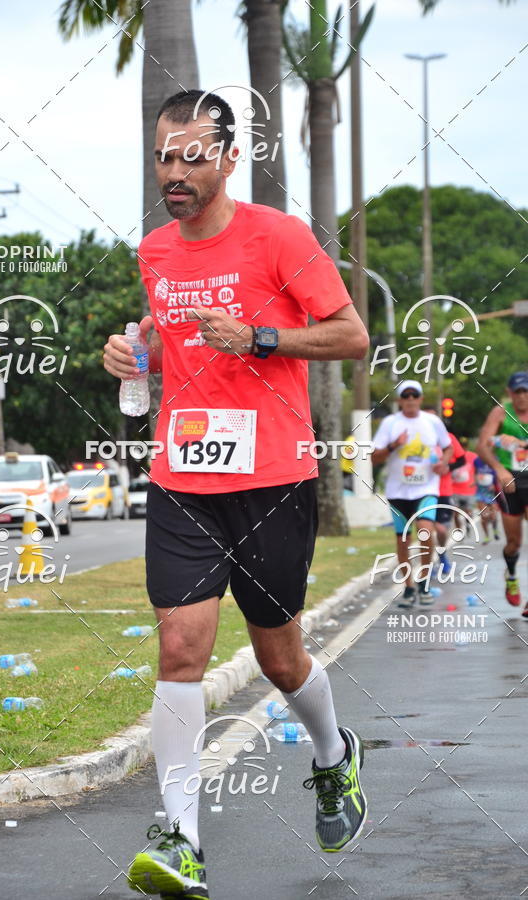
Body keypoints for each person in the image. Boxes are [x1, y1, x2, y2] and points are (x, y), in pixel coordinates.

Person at [103, 89, 370, 899]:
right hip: (184, 478)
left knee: (277, 655)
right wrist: (133, 359)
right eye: (162, 155)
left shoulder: (279, 238)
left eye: (190, 155)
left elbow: (353, 335)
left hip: (275, 478)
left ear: (228, 157)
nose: (173, 171)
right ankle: (181, 841)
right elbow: (167, 352)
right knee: (180, 649)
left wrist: (262, 336)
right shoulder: (154, 253)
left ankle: (334, 754)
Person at [372, 381, 452, 608]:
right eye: (405, 396)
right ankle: (408, 587)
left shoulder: (432, 421)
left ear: (420, 398)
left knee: (426, 531)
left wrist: (443, 463)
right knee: (403, 539)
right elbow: (374, 457)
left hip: (426, 488)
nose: (409, 399)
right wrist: (393, 446)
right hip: (398, 491)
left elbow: (448, 447)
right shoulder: (390, 423)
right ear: (399, 400)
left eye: (414, 395)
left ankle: (424, 581)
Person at [477, 371, 528, 616]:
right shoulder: (500, 412)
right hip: (510, 480)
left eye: (526, 391)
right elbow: (482, 445)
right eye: (517, 391)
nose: (522, 396)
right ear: (509, 393)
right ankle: (511, 575)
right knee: (514, 542)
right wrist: (499, 469)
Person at [423, 407, 466, 575]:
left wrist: (448, 467)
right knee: (426, 530)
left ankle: (441, 555)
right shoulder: (417, 439)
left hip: (443, 490)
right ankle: (428, 564)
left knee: (441, 530)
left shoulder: (448, 439)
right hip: (422, 491)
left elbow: (461, 459)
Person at [450, 438, 477, 537]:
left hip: (468, 489)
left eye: (464, 446)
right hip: (454, 489)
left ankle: (468, 524)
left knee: (468, 511)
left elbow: (479, 469)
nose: (462, 448)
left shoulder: (473, 456)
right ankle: (459, 531)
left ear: (467, 446)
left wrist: (475, 481)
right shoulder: (452, 456)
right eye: (460, 445)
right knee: (455, 512)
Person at [473, 455, 500, 543]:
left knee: (493, 515)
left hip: (491, 492)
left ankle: (495, 529)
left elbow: (498, 474)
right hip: (480, 492)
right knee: (484, 515)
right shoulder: (477, 460)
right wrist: (475, 479)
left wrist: (495, 485)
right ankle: (487, 536)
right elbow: (474, 472)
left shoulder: (495, 458)